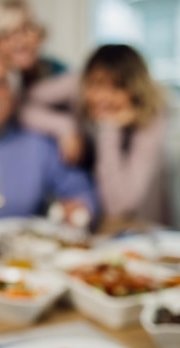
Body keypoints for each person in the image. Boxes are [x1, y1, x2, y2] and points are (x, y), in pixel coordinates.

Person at [0, 53, 97, 249]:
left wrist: (80, 208)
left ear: (13, 96)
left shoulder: (39, 145)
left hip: (26, 261)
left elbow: (81, 190)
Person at [21, 44, 170, 227]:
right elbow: (23, 103)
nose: (102, 97)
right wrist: (66, 128)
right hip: (96, 216)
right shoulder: (80, 85)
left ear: (135, 89)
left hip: (141, 223)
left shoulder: (151, 120)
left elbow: (117, 206)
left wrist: (109, 128)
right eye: (96, 85)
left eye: (116, 88)